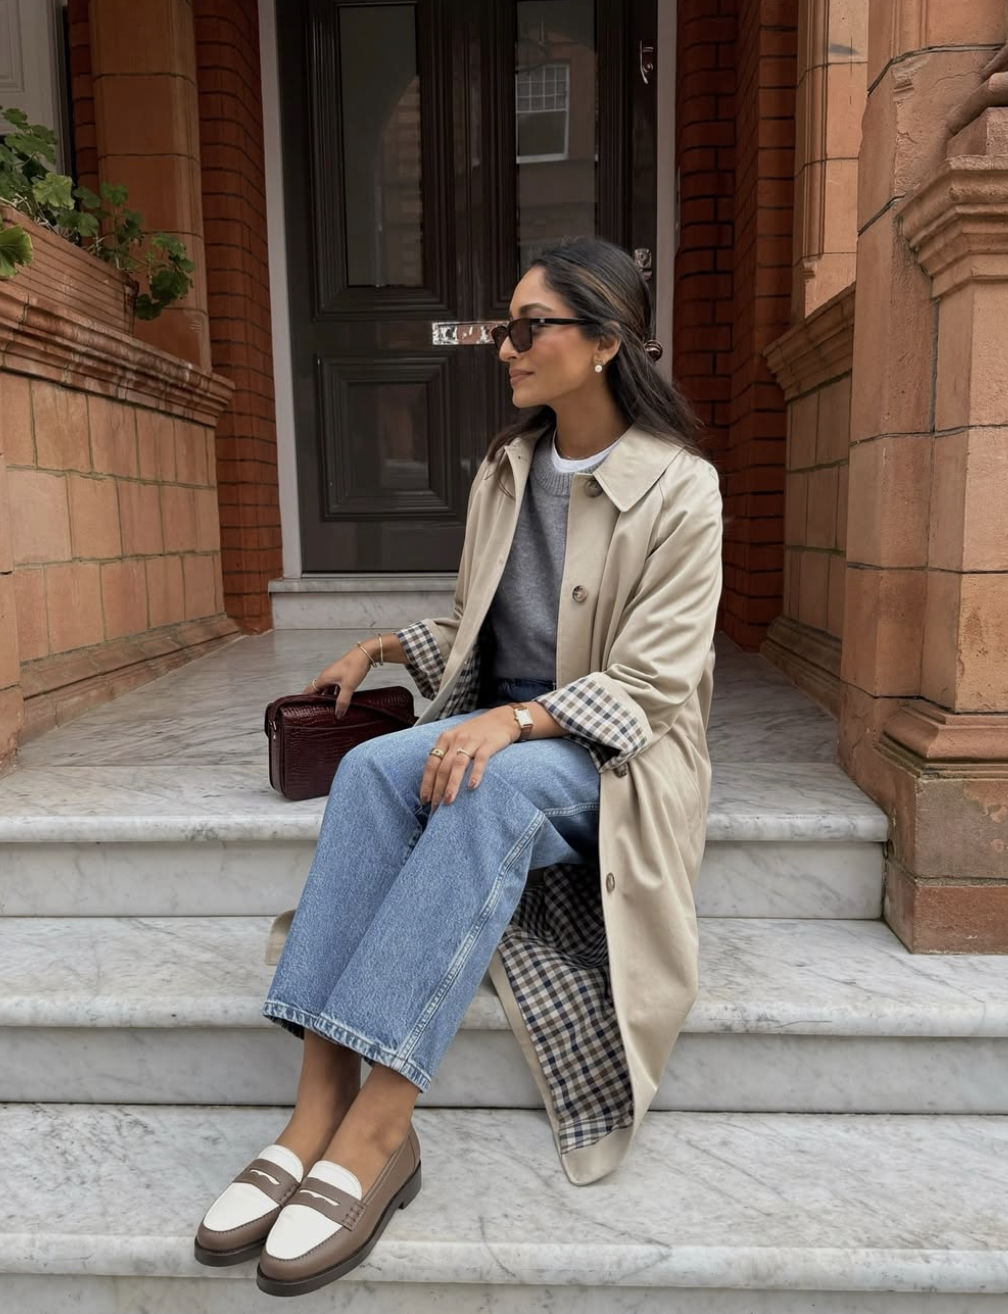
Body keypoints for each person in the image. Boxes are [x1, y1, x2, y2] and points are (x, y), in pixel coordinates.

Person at [194, 236, 724, 1298]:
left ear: (605, 342)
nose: (506, 348)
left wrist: (518, 724)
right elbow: (480, 621)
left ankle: (381, 1131)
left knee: (484, 784)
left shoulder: (682, 488)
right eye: (503, 327)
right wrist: (384, 647)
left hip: (614, 756)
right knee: (370, 773)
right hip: (507, 722)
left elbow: (654, 683)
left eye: (530, 327)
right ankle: (313, 1108)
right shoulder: (507, 468)